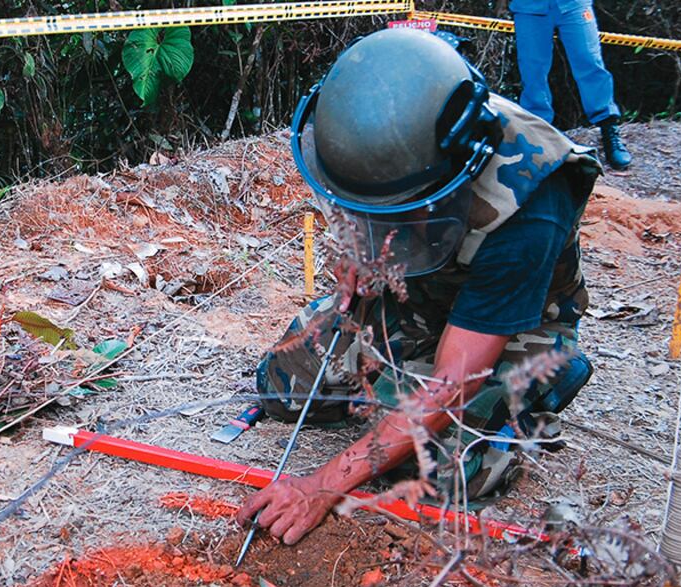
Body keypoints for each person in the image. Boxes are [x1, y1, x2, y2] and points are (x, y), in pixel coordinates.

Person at [238, 28, 601, 545]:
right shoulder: (377, 135)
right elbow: (359, 211)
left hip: (510, 326)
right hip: (419, 292)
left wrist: (321, 486)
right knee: (282, 388)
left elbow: (454, 383)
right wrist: (355, 257)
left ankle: (529, 401)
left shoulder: (533, 200)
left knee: (441, 475)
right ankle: (391, 395)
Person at [502, 0, 632, 170]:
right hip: (529, 7)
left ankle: (609, 130)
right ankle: (536, 137)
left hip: (574, 5)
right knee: (532, 72)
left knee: (590, 63)